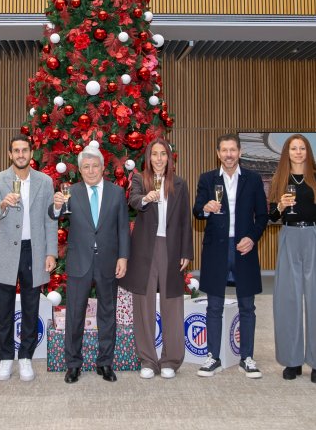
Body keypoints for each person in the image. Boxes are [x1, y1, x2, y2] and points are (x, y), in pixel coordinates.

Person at [0, 135, 57, 382]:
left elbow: (50, 220)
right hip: (5, 251)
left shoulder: (44, 182)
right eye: (16, 150)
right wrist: (3, 203)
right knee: (3, 307)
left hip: (33, 251)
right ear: (10, 154)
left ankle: (25, 357)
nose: (21, 154)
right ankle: (5, 358)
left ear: (31, 153)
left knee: (30, 306)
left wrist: (50, 252)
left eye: (25, 150)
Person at [52, 144, 129, 384]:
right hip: (79, 262)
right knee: (75, 314)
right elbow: (55, 215)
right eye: (86, 167)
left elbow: (123, 229)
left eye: (95, 166)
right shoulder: (70, 191)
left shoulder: (116, 193)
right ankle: (73, 364)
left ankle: (105, 363)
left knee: (108, 314)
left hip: (108, 261)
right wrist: (56, 205)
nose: (91, 170)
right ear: (80, 170)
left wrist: (123, 257)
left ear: (103, 168)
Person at [192, 133, 268, 378]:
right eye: (224, 150)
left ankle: (247, 357)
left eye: (232, 150)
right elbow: (196, 210)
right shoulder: (207, 179)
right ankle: (212, 357)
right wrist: (205, 209)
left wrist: (253, 238)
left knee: (247, 305)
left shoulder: (254, 180)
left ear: (240, 152)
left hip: (244, 248)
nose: (228, 154)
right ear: (218, 153)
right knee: (213, 305)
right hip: (216, 249)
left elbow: (263, 216)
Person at [120, 138, 192, 380]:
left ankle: (171, 359)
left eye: (163, 154)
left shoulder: (180, 184)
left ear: (169, 158)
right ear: (148, 158)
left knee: (172, 303)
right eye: (155, 154)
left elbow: (184, 221)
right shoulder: (141, 179)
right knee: (144, 304)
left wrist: (186, 252)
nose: (159, 158)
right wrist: (147, 198)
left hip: (171, 248)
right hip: (144, 249)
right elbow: (133, 201)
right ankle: (148, 360)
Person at [267, 134, 316, 383]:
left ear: (308, 152)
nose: (298, 152)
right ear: (287, 152)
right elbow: (272, 216)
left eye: (302, 148)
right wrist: (281, 208)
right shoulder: (279, 179)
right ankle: (292, 360)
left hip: (315, 237)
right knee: (288, 300)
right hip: (289, 237)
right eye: (293, 148)